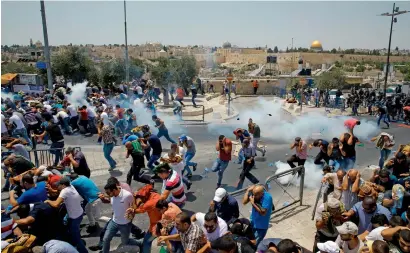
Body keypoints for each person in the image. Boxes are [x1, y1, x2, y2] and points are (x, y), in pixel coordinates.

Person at [45, 177, 87, 253]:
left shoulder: (65, 191)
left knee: (76, 237)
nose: (58, 186)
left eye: (59, 185)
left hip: (75, 217)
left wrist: (48, 201)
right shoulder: (70, 186)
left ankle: (83, 251)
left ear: (63, 185)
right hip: (79, 213)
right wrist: (52, 190)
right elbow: (60, 193)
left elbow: (56, 204)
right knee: (70, 229)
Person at [98, 180, 139, 253]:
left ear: (114, 190)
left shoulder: (127, 195)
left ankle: (140, 243)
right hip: (114, 222)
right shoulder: (112, 195)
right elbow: (109, 201)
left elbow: (134, 206)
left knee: (125, 242)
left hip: (125, 224)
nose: (107, 194)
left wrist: (132, 211)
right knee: (106, 239)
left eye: (108, 192)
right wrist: (103, 199)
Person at [127, 184, 162, 253]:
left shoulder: (148, 204)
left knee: (147, 242)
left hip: (157, 226)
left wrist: (134, 197)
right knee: (147, 239)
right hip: (158, 222)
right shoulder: (154, 194)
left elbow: (135, 209)